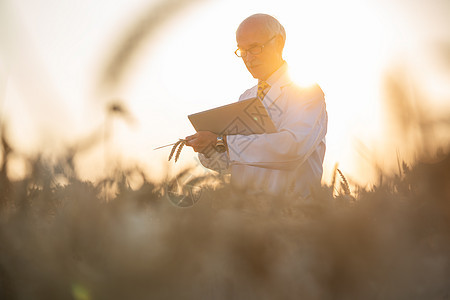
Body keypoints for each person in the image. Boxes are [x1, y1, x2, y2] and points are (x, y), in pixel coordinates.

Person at [185, 13, 327, 198]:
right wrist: (208, 148)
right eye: (242, 51)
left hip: (293, 212)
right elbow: (233, 161)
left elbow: (293, 149)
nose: (248, 58)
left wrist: (222, 141)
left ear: (279, 43)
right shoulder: (246, 97)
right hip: (247, 214)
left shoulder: (307, 91)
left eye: (255, 48)